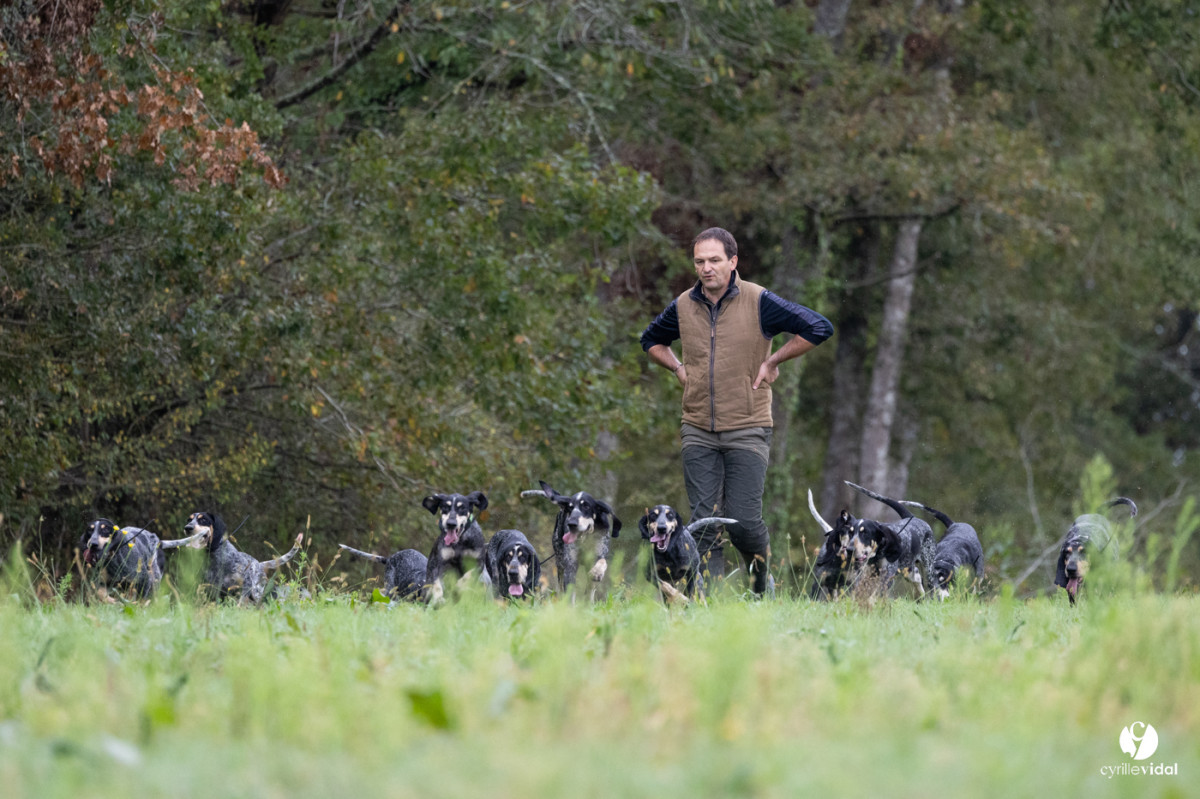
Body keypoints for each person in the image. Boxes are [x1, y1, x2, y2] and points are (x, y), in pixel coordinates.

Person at [640, 227, 833, 596]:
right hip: (697, 426)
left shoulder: (759, 301)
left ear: (733, 262)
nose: (706, 268)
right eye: (700, 261)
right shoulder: (683, 306)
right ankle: (707, 603)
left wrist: (773, 360)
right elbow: (650, 340)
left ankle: (760, 586)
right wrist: (678, 368)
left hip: (748, 426)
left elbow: (819, 327)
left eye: (714, 260)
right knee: (704, 524)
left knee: (743, 522)